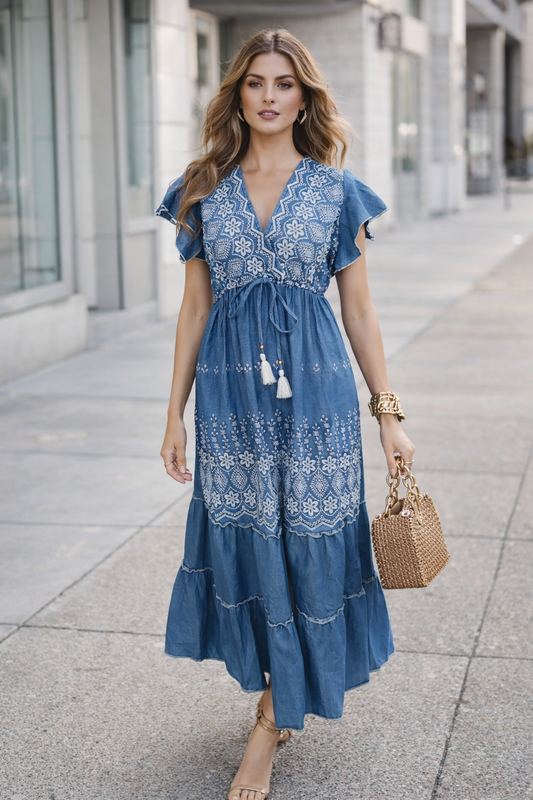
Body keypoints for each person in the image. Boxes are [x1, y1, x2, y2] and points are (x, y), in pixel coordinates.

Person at [156, 27, 415, 800]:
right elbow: (195, 307)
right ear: (236, 92)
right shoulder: (202, 186)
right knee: (250, 544)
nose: (269, 97)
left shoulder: (338, 192)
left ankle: (269, 725)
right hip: (231, 402)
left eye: (284, 84)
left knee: (312, 542)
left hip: (321, 402)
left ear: (304, 97)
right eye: (255, 83)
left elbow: (360, 314)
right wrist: (172, 414)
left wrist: (388, 415)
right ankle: (284, 690)